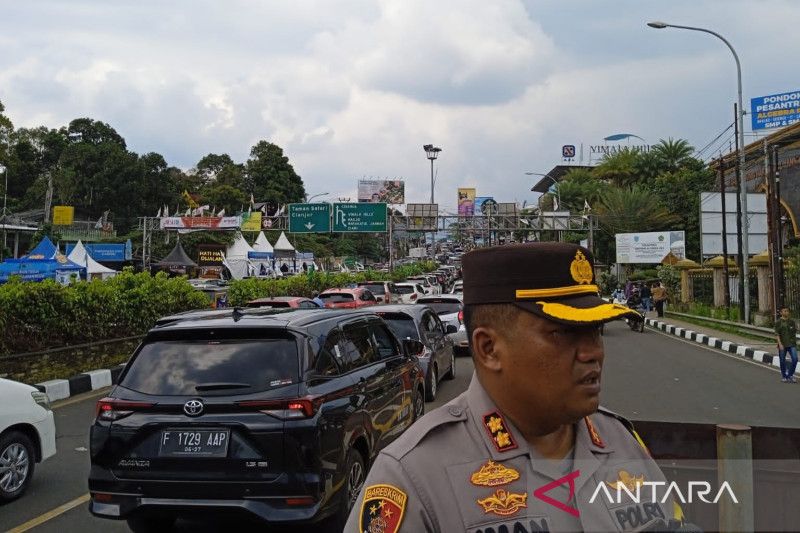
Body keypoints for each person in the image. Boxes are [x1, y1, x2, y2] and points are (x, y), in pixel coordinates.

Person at [345, 243, 695, 532]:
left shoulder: (620, 442)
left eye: (595, 331)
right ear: (488, 349)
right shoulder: (414, 475)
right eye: (562, 333)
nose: (593, 353)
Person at [775, 307, 798, 383]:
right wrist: (780, 344)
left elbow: (795, 331)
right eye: (784, 311)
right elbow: (777, 334)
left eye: (787, 311)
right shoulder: (778, 322)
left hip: (792, 344)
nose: (786, 312)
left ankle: (790, 375)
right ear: (781, 313)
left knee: (795, 359)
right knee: (782, 360)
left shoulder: (792, 321)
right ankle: (784, 376)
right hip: (783, 344)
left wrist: (797, 327)